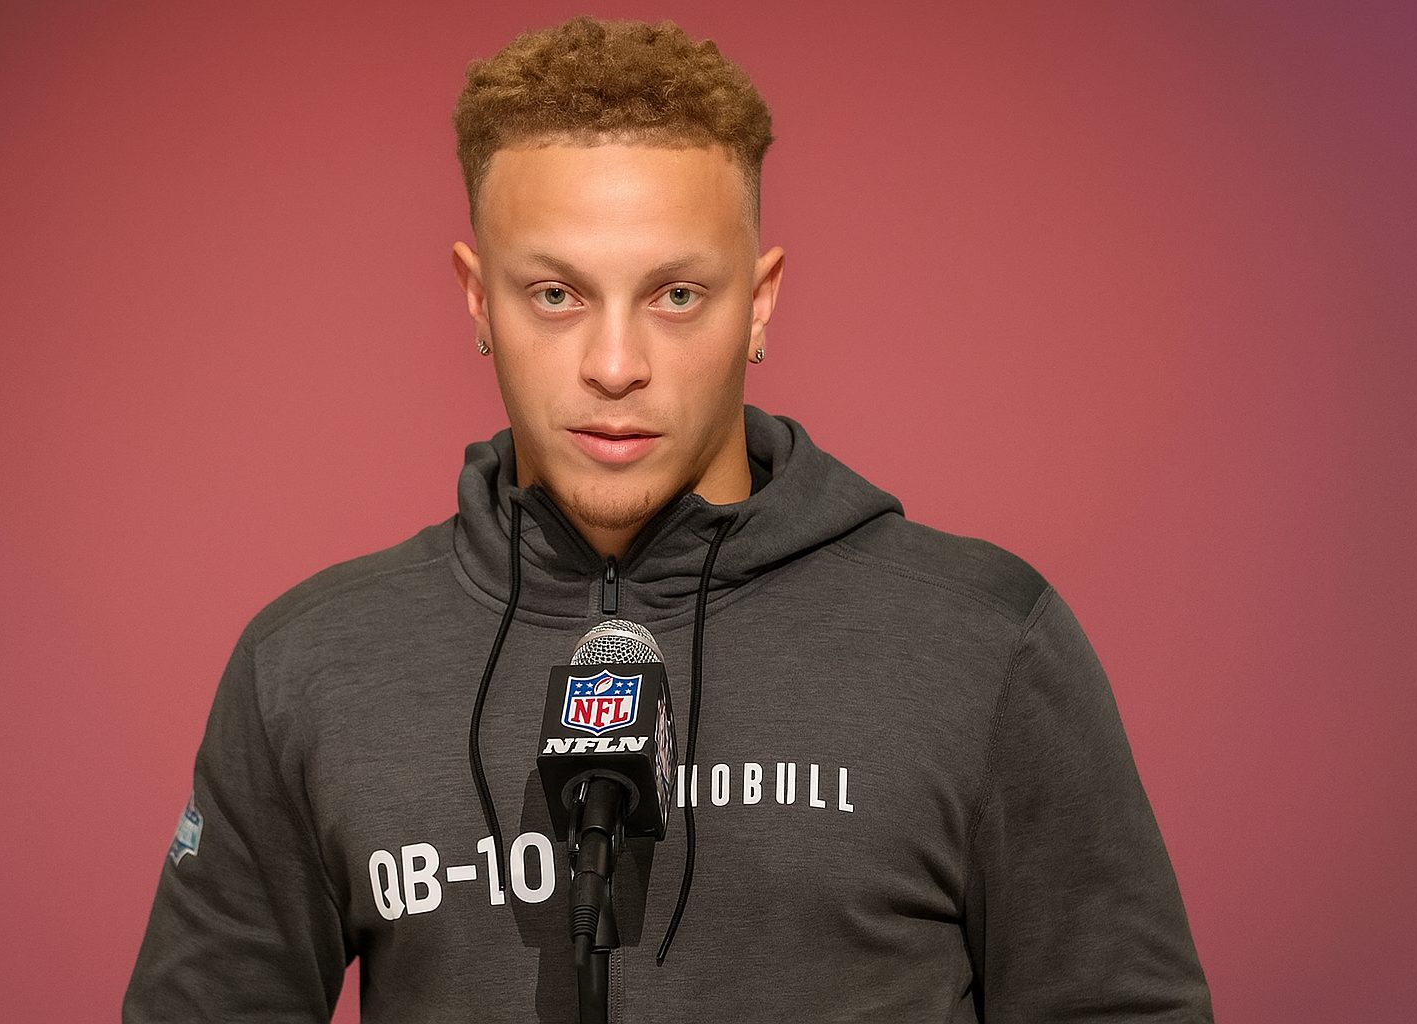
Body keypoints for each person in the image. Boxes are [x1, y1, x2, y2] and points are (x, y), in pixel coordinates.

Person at [125, 16, 1212, 1023]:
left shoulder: (985, 645)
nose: (615, 365)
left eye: (676, 295)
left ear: (760, 300)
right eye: (556, 294)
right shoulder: (310, 666)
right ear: (476, 298)